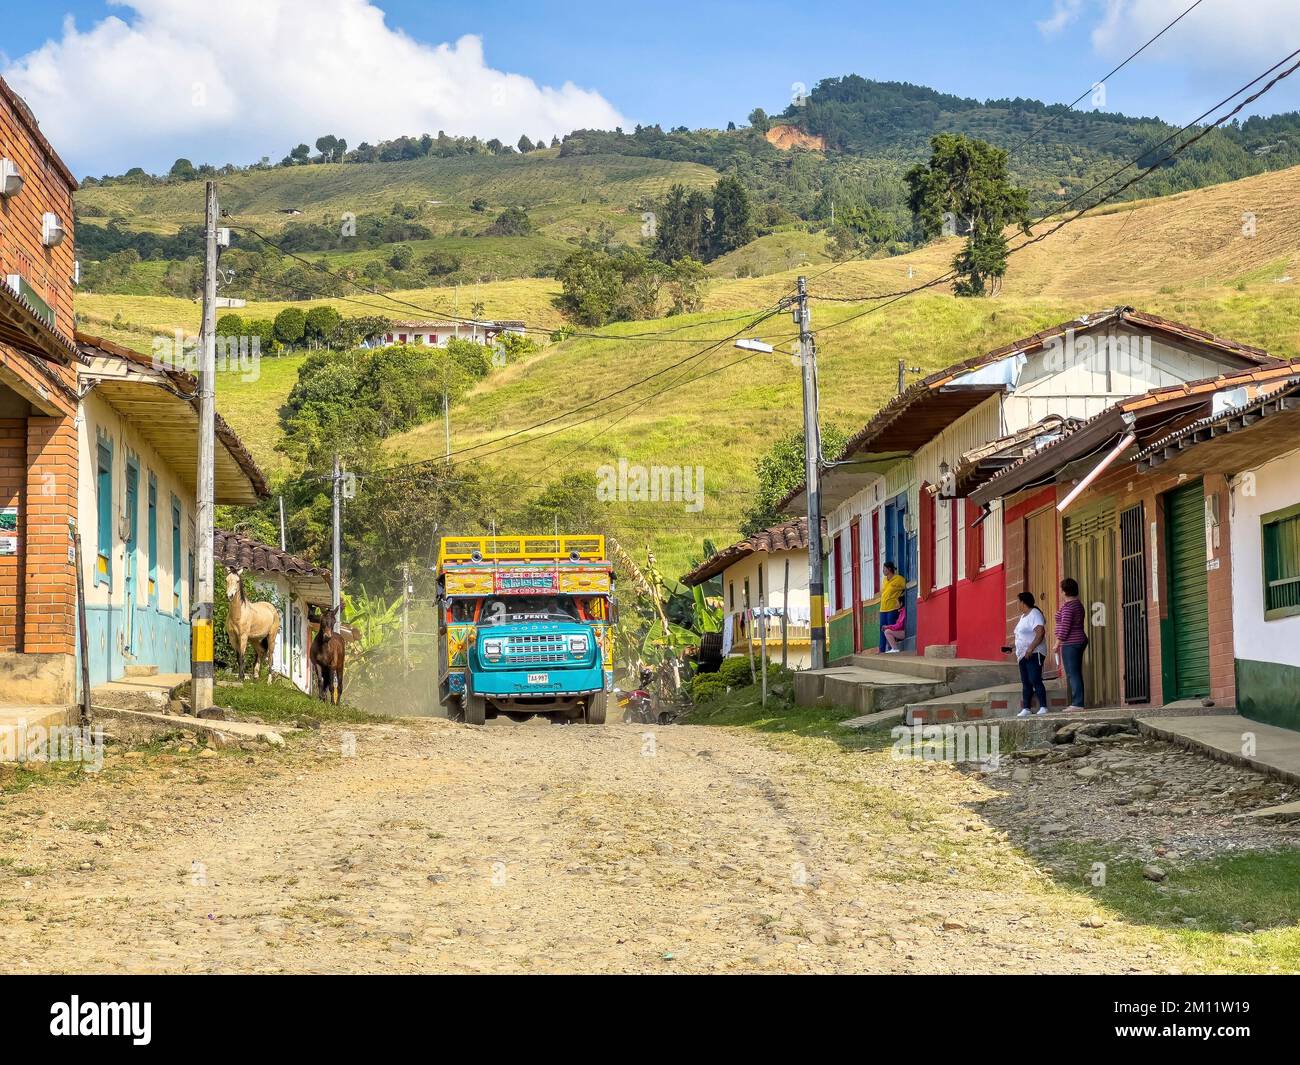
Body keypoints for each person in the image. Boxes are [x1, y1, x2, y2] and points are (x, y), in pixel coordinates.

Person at [1012, 591, 1049, 717]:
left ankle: (1043, 706)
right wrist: (1012, 647)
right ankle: (1026, 708)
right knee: (1026, 682)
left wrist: (1030, 649)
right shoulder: (1023, 617)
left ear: (1023, 602)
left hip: (1034, 653)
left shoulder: (1035, 613)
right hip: (1022, 655)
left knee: (1035, 679)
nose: (1017, 604)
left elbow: (1040, 633)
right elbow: (1022, 636)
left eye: (1018, 602)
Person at [1054, 577, 1088, 711]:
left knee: (1072, 673)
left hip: (1071, 642)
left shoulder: (1069, 608)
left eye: (1061, 590)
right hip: (1078, 640)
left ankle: (1077, 703)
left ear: (1065, 592)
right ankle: (1077, 702)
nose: (1061, 593)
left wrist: (1057, 643)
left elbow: (1065, 627)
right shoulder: (1076, 604)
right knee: (1075, 672)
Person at [878, 562, 906, 653]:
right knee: (882, 629)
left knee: (890, 628)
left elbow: (905, 587)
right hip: (883, 609)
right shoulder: (885, 580)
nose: (883, 570)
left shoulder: (898, 579)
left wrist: (900, 598)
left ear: (889, 569)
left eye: (884, 568)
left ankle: (892, 648)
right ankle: (882, 650)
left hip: (892, 609)